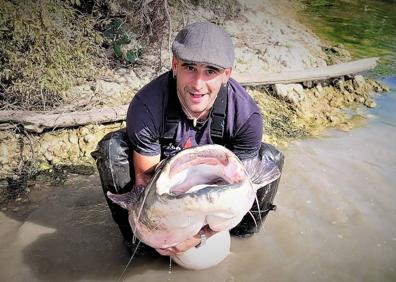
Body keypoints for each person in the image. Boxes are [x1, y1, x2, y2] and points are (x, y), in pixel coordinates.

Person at [92, 22, 284, 256]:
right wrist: (155, 233)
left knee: (270, 158)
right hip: (166, 182)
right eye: (190, 67)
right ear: (175, 65)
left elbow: (242, 189)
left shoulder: (246, 116)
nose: (197, 84)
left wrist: (199, 237)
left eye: (211, 71)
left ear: (227, 74)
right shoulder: (146, 106)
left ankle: (242, 234)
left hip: (220, 190)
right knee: (113, 148)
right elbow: (144, 182)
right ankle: (138, 244)